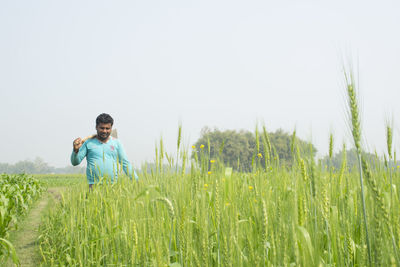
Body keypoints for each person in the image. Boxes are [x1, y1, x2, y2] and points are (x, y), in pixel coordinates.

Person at [71, 113, 138, 189]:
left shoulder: (116, 143)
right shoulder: (88, 143)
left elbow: (125, 164)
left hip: (113, 186)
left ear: (111, 128)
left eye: (107, 128)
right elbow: (75, 162)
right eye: (102, 128)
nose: (104, 131)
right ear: (96, 127)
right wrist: (75, 150)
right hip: (94, 186)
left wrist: (136, 180)